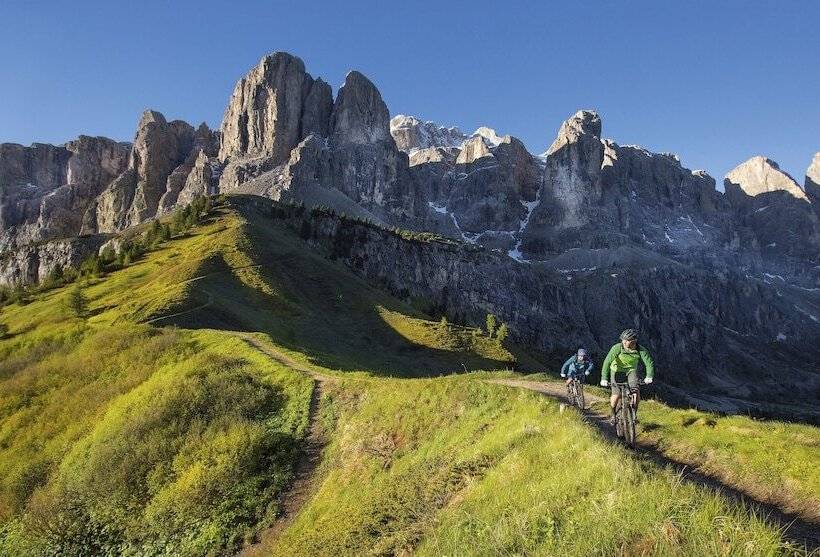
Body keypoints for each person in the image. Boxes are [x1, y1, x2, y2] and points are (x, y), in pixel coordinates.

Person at [599, 329, 654, 424]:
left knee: (636, 392)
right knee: (616, 394)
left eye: (627, 340)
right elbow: (607, 362)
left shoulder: (640, 350)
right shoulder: (617, 348)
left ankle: (634, 414)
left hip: (631, 371)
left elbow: (649, 363)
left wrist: (649, 376)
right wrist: (604, 378)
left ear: (634, 341)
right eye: (623, 340)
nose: (624, 342)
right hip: (616, 371)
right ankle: (613, 414)